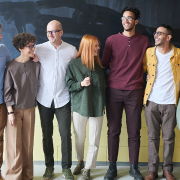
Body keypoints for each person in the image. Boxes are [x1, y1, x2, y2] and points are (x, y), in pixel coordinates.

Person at [102, 6, 151, 180]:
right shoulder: (111, 40)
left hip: (135, 91)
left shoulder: (145, 41)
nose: (126, 21)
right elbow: (104, 65)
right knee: (113, 130)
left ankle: (134, 168)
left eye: (129, 18)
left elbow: (150, 65)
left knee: (134, 131)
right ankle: (112, 168)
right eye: (124, 18)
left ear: (136, 21)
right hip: (113, 90)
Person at [35, 20, 77, 180]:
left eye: (53, 32)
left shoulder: (71, 50)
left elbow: (80, 67)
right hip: (44, 99)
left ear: (61, 32)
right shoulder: (39, 49)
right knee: (47, 135)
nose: (50, 35)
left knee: (66, 134)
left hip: (63, 98)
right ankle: (49, 167)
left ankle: (66, 168)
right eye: (48, 32)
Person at [66, 34, 106, 180]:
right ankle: (80, 161)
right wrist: (81, 84)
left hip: (97, 107)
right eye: (95, 45)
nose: (98, 48)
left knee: (94, 139)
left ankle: (88, 169)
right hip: (79, 106)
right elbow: (69, 85)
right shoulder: (73, 64)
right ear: (87, 46)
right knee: (79, 138)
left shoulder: (100, 67)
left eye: (98, 45)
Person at [143, 24, 180, 180]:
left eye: (159, 33)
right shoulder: (149, 52)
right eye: (155, 33)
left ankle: (167, 170)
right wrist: (146, 76)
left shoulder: (178, 54)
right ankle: (152, 170)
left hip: (170, 102)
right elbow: (142, 69)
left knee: (169, 138)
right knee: (152, 137)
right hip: (151, 101)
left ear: (168, 37)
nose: (156, 36)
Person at [4, 32, 40, 180]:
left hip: (30, 108)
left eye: (33, 45)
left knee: (27, 145)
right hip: (15, 111)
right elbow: (7, 92)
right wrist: (10, 113)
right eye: (29, 46)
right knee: (14, 146)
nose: (33, 49)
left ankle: (27, 175)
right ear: (20, 48)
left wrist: (37, 61)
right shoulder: (11, 67)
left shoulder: (36, 64)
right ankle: (13, 176)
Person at [0, 24, 11, 180]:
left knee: (0, 138)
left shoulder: (3, 49)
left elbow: (11, 68)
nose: (1, 36)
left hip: (1, 102)